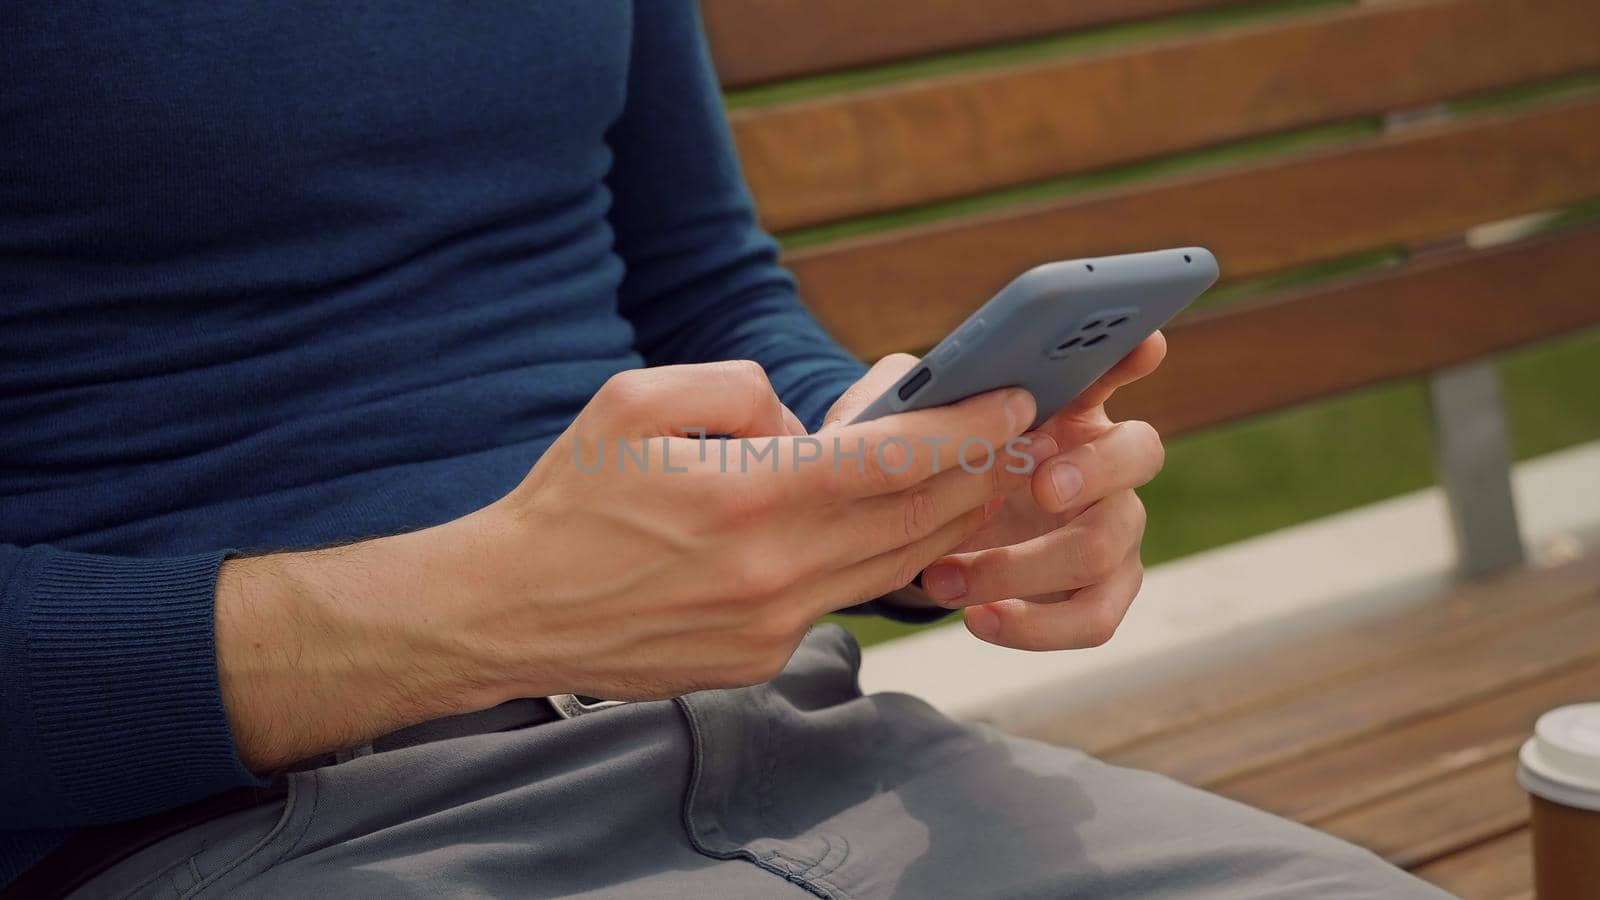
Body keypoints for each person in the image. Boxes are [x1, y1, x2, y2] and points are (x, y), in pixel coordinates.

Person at [0, 3, 1450, 897]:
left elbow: (697, 276)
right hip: (248, 836)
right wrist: (458, 618)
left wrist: (889, 480)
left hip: (802, 745)